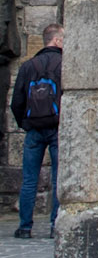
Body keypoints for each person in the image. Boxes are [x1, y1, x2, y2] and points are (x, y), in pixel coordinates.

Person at [11, 24, 62, 239]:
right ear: (57, 40)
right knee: (59, 177)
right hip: (58, 128)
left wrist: (26, 124)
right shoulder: (65, 64)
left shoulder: (28, 66)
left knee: (30, 179)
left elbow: (17, 102)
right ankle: (55, 226)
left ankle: (25, 227)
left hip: (34, 130)